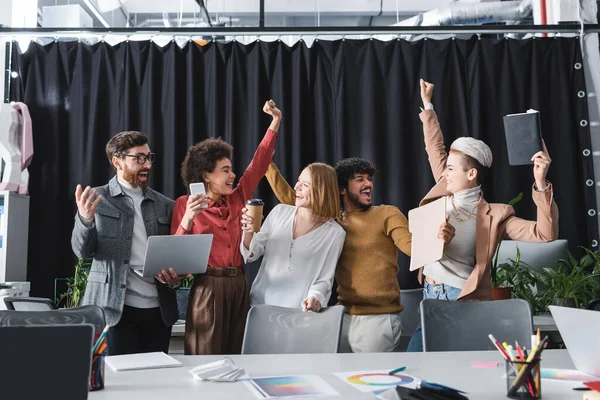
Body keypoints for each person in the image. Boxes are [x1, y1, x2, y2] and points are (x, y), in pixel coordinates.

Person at [406, 79, 559, 352]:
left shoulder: (497, 215)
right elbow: (435, 148)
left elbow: (545, 234)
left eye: (451, 168)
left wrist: (540, 182)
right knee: (418, 372)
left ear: (471, 174)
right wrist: (428, 103)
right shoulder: (446, 189)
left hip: (461, 301)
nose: (444, 173)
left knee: (459, 374)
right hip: (428, 296)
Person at [265, 157, 412, 352]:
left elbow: (411, 247)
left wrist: (438, 239)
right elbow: (294, 200)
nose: (368, 184)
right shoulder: (333, 222)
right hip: (340, 317)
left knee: (371, 381)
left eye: (369, 179)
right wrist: (267, 164)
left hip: (377, 320)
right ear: (342, 189)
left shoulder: (386, 214)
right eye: (359, 179)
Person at [171, 100, 282, 355]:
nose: (233, 175)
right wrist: (188, 218)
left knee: (239, 355)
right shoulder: (184, 205)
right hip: (208, 287)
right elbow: (176, 258)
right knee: (205, 355)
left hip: (240, 285)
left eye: (232, 169)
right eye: (225, 171)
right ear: (206, 176)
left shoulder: (239, 195)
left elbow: (259, 164)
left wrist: (275, 121)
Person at [71, 130, 182, 355]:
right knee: (118, 384)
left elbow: (175, 255)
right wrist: (85, 220)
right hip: (113, 312)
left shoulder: (165, 205)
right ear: (117, 161)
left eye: (149, 157)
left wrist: (176, 276)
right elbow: (82, 252)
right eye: (138, 158)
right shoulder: (95, 200)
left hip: (159, 314)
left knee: (156, 383)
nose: (147, 165)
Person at [240, 163, 346, 312]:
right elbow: (252, 254)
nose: (296, 187)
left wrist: (315, 297)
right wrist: (248, 231)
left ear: (322, 190)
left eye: (305, 184)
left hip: (298, 313)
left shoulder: (335, 233)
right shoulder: (279, 212)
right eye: (298, 181)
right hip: (259, 307)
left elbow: (324, 279)